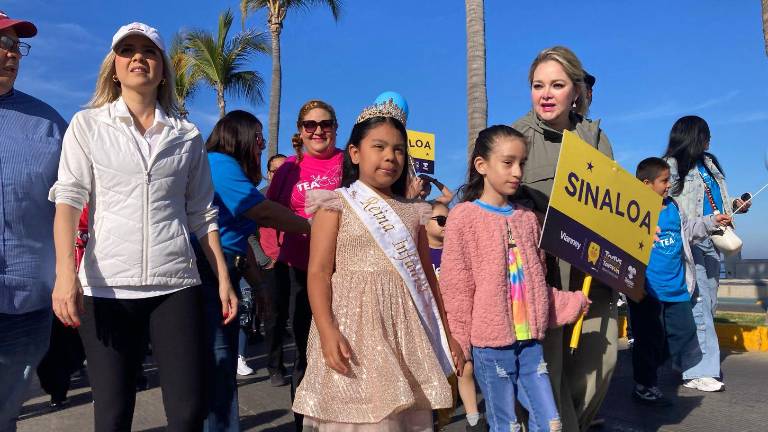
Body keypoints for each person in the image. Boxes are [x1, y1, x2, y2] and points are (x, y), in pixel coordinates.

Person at [49, 22, 235, 431]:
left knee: (188, 413)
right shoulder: (87, 126)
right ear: (114, 67)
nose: (138, 57)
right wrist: (66, 274)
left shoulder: (186, 136)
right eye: (127, 50)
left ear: (162, 68)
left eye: (148, 51)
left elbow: (202, 213)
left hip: (175, 286)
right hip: (105, 288)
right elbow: (68, 202)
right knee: (113, 416)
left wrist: (221, 274)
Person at [293, 99, 463, 431]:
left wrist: (448, 335)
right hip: (352, 328)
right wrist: (327, 332)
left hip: (404, 331)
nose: (390, 156)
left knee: (401, 417)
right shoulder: (335, 203)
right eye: (380, 147)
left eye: (399, 150)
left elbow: (427, 278)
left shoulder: (414, 211)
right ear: (355, 153)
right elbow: (318, 273)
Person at [440, 125, 589, 432]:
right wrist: (460, 343)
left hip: (531, 342)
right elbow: (457, 287)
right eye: (508, 162)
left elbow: (535, 285)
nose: (518, 171)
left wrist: (572, 302)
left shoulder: (528, 220)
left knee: (551, 422)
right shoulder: (463, 218)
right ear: (482, 165)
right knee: (506, 425)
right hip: (490, 346)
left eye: (522, 162)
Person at [512, 46, 615, 431]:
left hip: (592, 276)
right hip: (542, 277)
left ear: (577, 90)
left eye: (557, 84)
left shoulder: (595, 137)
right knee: (548, 378)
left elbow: (613, 203)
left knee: (598, 368)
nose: (547, 94)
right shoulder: (515, 136)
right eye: (538, 85)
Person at [200, 110, 310, 431]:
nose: (261, 145)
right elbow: (261, 210)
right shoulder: (219, 164)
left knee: (221, 364)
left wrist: (258, 284)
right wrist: (312, 227)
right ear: (241, 137)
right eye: (258, 138)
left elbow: (237, 237)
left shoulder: (227, 168)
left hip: (226, 271)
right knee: (219, 363)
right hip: (208, 273)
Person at [0, 11, 67, 430]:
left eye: (16, 46)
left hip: (28, 301)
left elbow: (80, 199)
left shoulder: (49, 123)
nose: (12, 54)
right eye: (3, 44)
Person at [266, 100, 344, 427]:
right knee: (305, 349)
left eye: (325, 124)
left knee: (344, 347)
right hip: (298, 269)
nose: (318, 131)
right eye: (310, 125)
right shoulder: (288, 169)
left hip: (342, 271)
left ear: (335, 128)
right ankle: (302, 422)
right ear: (300, 131)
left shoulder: (349, 162)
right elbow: (268, 213)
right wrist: (272, 256)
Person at [629, 157, 730, 406]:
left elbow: (690, 229)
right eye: (664, 180)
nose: (669, 185)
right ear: (646, 184)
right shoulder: (632, 210)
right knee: (648, 339)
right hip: (647, 291)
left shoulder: (674, 207)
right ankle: (645, 383)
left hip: (677, 290)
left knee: (684, 333)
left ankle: (653, 363)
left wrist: (711, 222)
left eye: (670, 179)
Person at [662, 116, 750, 392]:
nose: (709, 140)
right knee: (699, 304)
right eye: (704, 135)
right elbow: (663, 203)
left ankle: (685, 362)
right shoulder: (671, 167)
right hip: (690, 243)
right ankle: (697, 370)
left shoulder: (710, 166)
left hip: (713, 242)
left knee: (708, 304)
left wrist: (736, 204)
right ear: (690, 136)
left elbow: (715, 201)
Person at [256, 153, 292, 386]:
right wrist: (263, 259)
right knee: (273, 318)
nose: (278, 174)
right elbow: (248, 232)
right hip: (270, 264)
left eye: (283, 170)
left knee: (295, 315)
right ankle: (274, 366)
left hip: (294, 262)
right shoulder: (258, 198)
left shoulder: (296, 197)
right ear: (267, 173)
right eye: (273, 170)